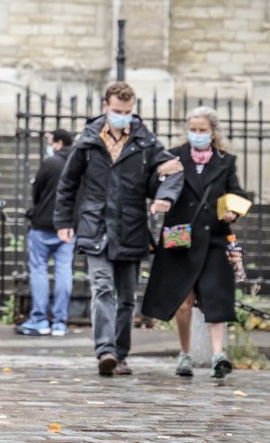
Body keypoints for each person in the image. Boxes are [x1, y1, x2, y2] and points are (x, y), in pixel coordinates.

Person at [54, 81, 184, 377]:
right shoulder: (88, 141)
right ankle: (105, 351)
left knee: (126, 296)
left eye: (126, 111)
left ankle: (120, 354)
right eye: (116, 110)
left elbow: (174, 169)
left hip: (131, 227)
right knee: (102, 288)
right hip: (96, 226)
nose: (122, 116)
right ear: (105, 107)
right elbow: (68, 184)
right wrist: (63, 221)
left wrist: (164, 196)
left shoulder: (144, 141)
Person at [142, 106, 245, 379]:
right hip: (180, 237)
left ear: (213, 132)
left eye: (203, 130)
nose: (197, 135)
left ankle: (218, 355)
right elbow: (154, 185)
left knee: (216, 298)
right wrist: (161, 177)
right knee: (183, 302)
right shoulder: (175, 156)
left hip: (214, 238)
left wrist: (233, 211)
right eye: (193, 130)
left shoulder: (226, 160)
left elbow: (237, 192)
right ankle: (185, 353)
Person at [17, 129, 75, 337]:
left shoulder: (50, 163)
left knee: (39, 270)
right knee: (64, 271)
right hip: (67, 226)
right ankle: (60, 321)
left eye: (50, 141)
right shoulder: (80, 162)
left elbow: (37, 191)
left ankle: (40, 319)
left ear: (58, 143)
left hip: (43, 222)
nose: (49, 145)